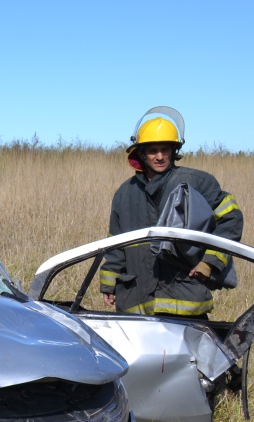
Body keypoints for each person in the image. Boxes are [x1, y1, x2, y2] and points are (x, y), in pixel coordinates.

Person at [99, 107, 243, 317]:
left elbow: (231, 219)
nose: (159, 156)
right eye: (152, 150)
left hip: (184, 301)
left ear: (174, 151)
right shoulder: (124, 193)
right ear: (141, 153)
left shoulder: (198, 183)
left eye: (165, 149)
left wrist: (210, 262)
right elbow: (115, 243)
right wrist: (109, 282)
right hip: (136, 304)